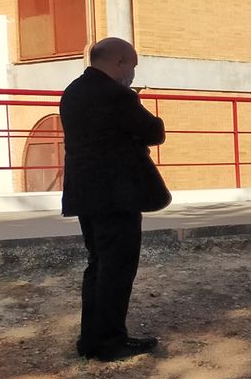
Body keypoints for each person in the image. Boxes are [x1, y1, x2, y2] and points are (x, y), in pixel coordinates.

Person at [59, 38, 171, 361]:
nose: (133, 74)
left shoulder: (73, 92)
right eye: (132, 66)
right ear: (119, 62)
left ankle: (91, 339)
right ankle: (110, 341)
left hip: (85, 194)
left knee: (97, 264)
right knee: (117, 267)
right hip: (117, 195)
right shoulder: (114, 94)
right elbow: (153, 131)